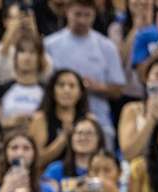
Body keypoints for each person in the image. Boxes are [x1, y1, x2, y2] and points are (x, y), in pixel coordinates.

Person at [44, 0, 125, 148]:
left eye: (87, 15)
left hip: (98, 120)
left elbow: (118, 90)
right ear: (67, 12)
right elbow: (45, 85)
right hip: (58, 121)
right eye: (77, 14)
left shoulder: (107, 46)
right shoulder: (49, 44)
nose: (82, 20)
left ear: (95, 15)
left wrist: (96, 87)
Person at [30, 69, 91, 167]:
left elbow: (95, 156)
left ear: (80, 93)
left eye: (72, 86)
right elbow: (36, 160)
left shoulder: (89, 119)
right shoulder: (40, 119)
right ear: (52, 91)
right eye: (61, 85)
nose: (66, 90)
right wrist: (63, 138)